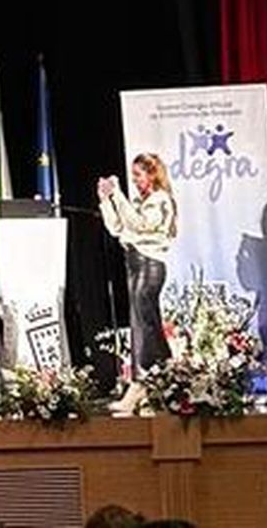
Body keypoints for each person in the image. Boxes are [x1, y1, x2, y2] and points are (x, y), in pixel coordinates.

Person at [97, 152, 178, 415]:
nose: (135, 181)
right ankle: (158, 380)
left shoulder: (159, 200)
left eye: (138, 175)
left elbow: (140, 225)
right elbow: (119, 228)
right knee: (141, 325)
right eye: (133, 176)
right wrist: (107, 200)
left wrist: (118, 195)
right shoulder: (140, 202)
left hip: (149, 265)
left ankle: (146, 383)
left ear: (152, 174)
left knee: (146, 326)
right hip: (135, 264)